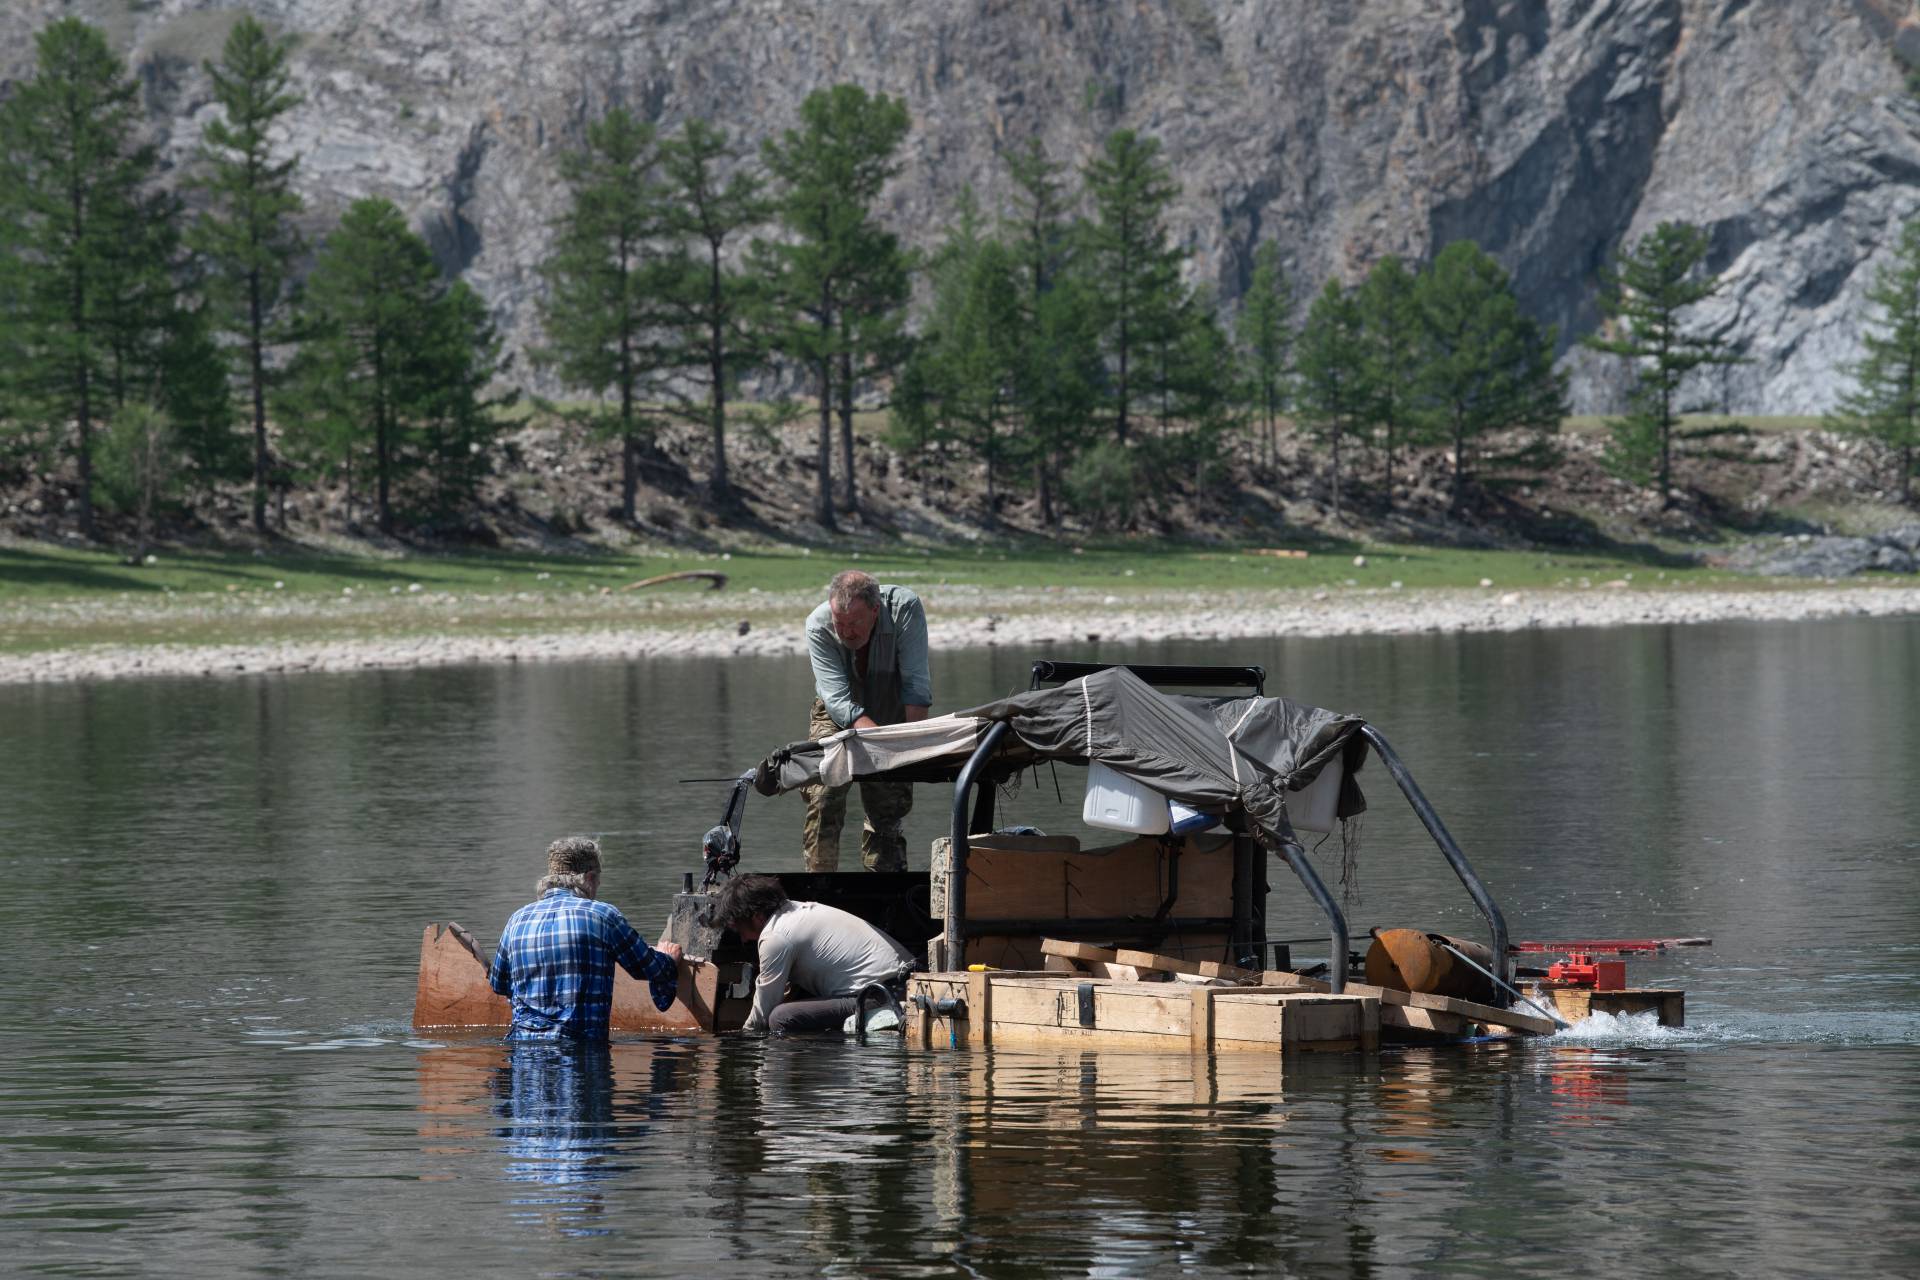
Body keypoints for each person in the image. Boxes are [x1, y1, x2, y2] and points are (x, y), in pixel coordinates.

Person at [488, 836, 683, 1041]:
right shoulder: (603, 916)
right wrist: (668, 958)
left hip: (523, 1052)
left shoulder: (516, 920)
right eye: (598, 880)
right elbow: (648, 968)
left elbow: (498, 984)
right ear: (589, 878)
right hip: (582, 1051)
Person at [802, 568, 932, 872]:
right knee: (824, 793)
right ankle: (819, 889)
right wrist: (876, 741)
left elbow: (915, 685)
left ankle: (886, 890)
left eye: (855, 623)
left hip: (891, 701)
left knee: (887, 804)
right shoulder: (818, 624)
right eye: (840, 623)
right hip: (837, 710)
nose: (846, 632)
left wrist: (909, 748)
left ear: (875, 611)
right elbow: (837, 700)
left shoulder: (905, 608)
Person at [711, 874, 915, 1036]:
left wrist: (745, 1038)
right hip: (904, 984)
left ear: (756, 916)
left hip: (883, 995)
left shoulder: (776, 936)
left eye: (740, 930)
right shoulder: (796, 911)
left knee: (780, 1018)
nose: (744, 939)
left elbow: (764, 1008)